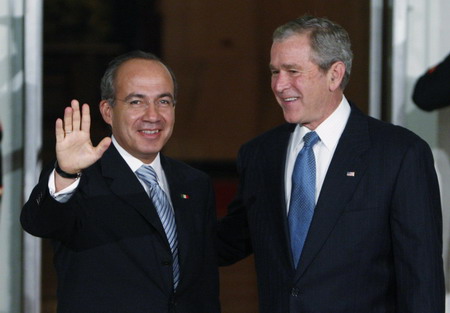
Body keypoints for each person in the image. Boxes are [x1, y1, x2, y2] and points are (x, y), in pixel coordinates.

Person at [217, 15, 445, 312]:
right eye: (275, 71)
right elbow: (232, 240)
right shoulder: (260, 154)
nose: (280, 84)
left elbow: (421, 279)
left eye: (293, 71)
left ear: (335, 75)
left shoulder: (399, 154)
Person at [21, 51, 220, 313]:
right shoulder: (80, 178)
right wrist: (66, 174)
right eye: (136, 102)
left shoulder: (194, 183)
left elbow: (203, 283)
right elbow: (38, 222)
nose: (153, 115)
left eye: (164, 101)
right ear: (107, 111)